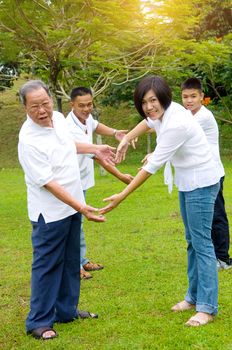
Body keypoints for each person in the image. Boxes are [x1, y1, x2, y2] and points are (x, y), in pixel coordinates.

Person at [100, 75, 221, 327]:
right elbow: (147, 123)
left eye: (153, 100)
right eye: (144, 102)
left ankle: (207, 307)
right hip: (188, 181)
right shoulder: (166, 112)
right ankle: (193, 296)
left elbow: (152, 166)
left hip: (202, 182)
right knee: (192, 242)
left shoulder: (176, 122)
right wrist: (124, 138)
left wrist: (121, 196)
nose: (149, 106)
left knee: (202, 243)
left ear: (164, 97)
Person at [18, 80, 116, 340]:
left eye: (45, 104)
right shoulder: (28, 140)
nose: (42, 111)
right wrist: (81, 206)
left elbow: (69, 145)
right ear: (25, 108)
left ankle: (66, 311)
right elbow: (48, 183)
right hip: (49, 213)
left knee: (71, 261)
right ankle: (38, 322)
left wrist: (96, 147)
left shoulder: (59, 119)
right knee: (48, 265)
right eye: (34, 106)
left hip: (72, 207)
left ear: (52, 100)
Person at [66, 87, 133, 279]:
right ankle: (74, 266)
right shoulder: (69, 127)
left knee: (77, 223)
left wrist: (115, 133)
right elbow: (97, 156)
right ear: (72, 105)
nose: (87, 109)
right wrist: (120, 176)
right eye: (81, 106)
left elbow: (95, 125)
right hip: (70, 181)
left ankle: (82, 260)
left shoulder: (85, 118)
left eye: (89, 104)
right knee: (72, 224)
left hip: (83, 179)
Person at [181, 77, 232, 270]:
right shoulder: (187, 116)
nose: (189, 101)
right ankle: (215, 256)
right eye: (185, 97)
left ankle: (223, 258)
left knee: (216, 216)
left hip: (213, 173)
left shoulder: (203, 116)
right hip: (201, 174)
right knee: (206, 217)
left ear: (202, 97)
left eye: (193, 96)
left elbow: (181, 137)